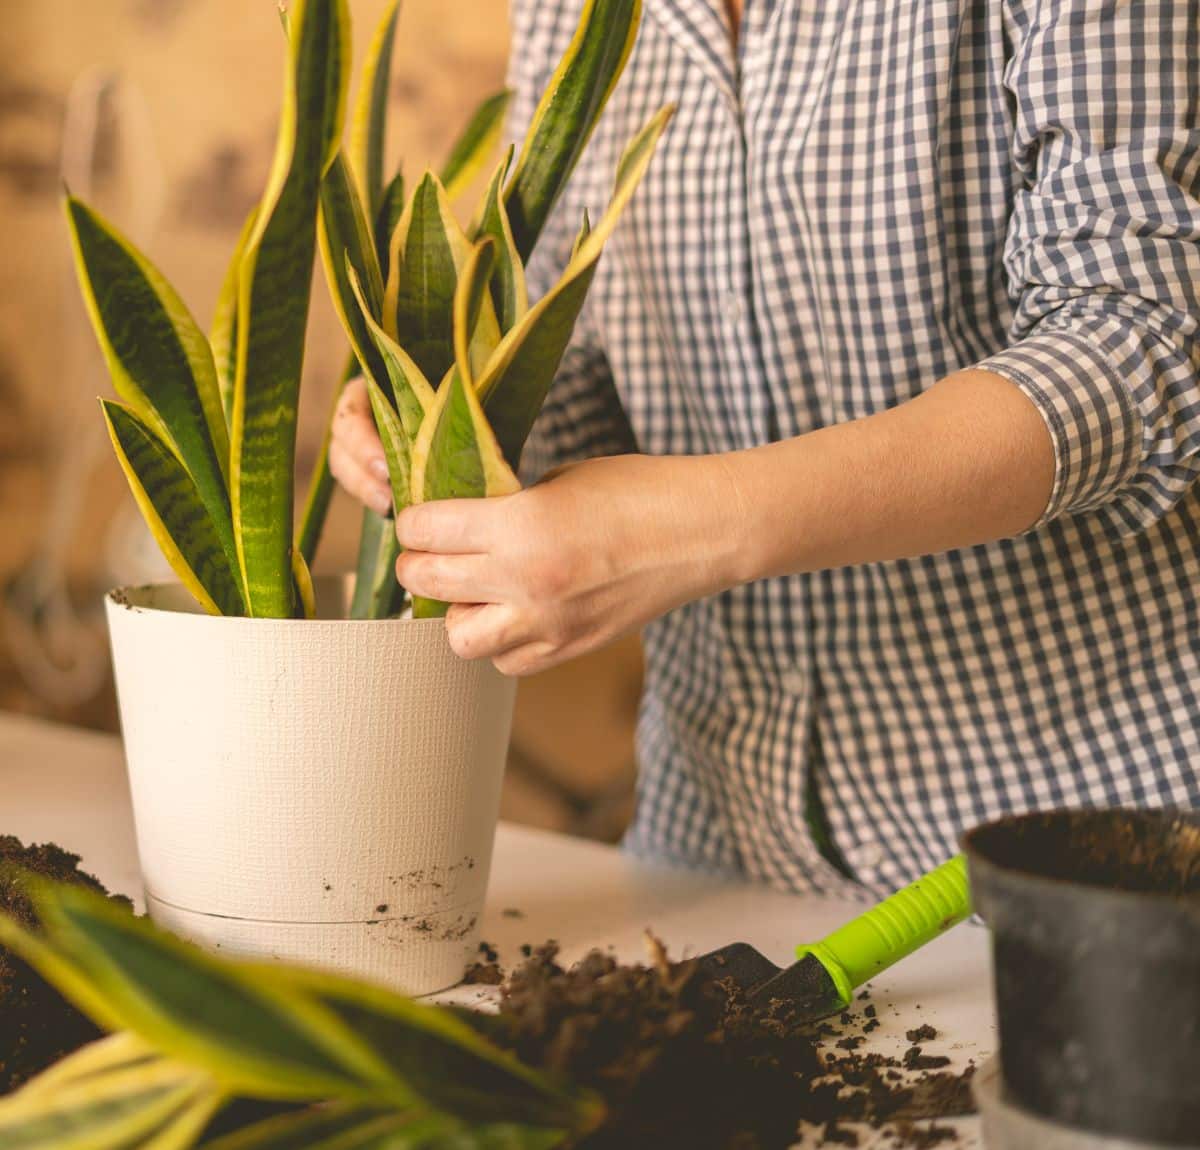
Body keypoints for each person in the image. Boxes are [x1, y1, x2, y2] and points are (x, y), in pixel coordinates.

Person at [330, 0, 1200, 896]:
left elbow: (1137, 348)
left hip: (1083, 844)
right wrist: (441, 426)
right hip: (712, 839)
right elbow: (579, 353)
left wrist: (681, 530)